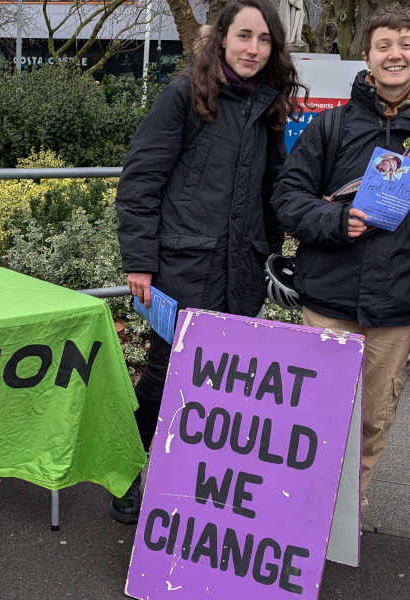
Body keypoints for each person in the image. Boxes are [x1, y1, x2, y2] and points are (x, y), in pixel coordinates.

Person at [112, 0, 306, 524]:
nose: (253, 49)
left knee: (225, 384)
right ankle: (128, 473)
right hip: (182, 265)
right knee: (162, 374)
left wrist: (271, 253)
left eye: (264, 40)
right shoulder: (185, 96)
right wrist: (140, 262)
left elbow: (272, 191)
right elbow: (141, 181)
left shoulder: (269, 105)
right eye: (245, 36)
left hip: (241, 267)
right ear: (221, 38)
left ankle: (200, 481)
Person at [272, 3, 410, 512]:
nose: (394, 54)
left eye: (404, 45)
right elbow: (288, 196)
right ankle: (299, 506)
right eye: (383, 46)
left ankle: (347, 508)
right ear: (367, 55)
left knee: (374, 416)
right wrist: (335, 222)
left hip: (395, 307)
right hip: (329, 297)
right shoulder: (330, 127)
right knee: (314, 415)